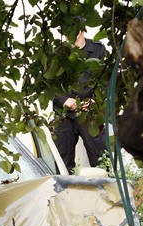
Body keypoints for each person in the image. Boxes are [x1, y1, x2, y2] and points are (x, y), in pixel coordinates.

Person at [52, 20, 107, 172]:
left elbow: (105, 79)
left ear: (81, 30)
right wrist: (64, 100)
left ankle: (104, 194)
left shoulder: (98, 50)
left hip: (89, 113)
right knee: (62, 164)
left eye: (70, 32)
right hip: (64, 115)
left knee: (101, 160)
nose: (66, 36)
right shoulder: (57, 53)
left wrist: (94, 101)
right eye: (64, 33)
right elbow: (49, 82)